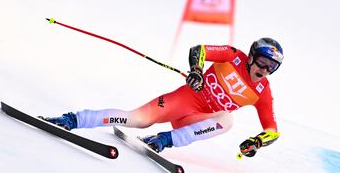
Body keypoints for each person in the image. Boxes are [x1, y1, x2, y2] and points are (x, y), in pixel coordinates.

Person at [44, 37, 284, 157]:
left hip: (196, 121)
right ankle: (72, 120)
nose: (264, 70)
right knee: (136, 119)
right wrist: (197, 72)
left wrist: (257, 142)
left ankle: (165, 140)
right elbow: (200, 50)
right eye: (262, 62)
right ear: (252, 56)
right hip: (182, 101)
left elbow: (272, 129)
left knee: (227, 120)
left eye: (271, 67)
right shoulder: (234, 56)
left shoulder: (263, 93)